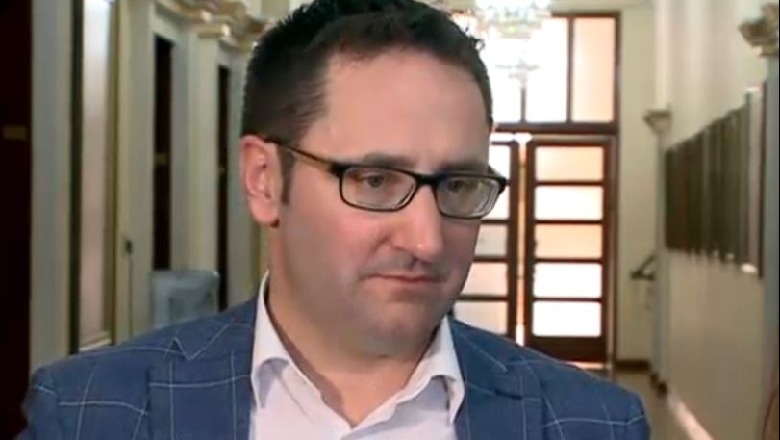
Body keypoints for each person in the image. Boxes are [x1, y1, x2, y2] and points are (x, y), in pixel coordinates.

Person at [17, 0, 650, 438]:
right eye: (375, 180)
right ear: (265, 180)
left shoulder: (593, 425)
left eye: (458, 185)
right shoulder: (90, 414)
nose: (427, 239)